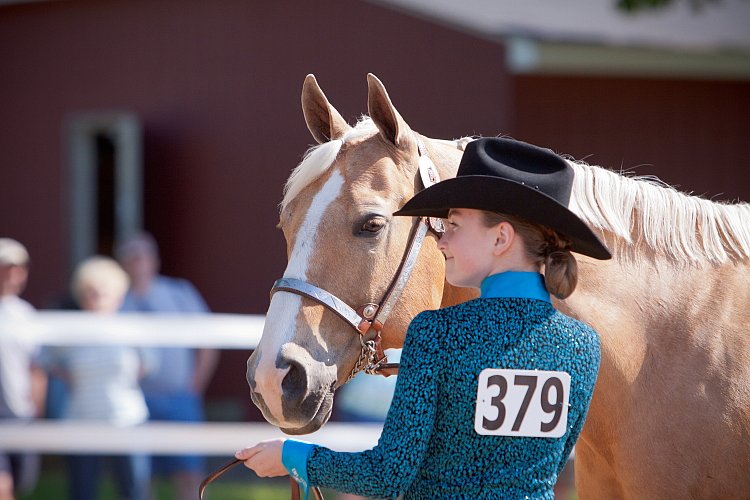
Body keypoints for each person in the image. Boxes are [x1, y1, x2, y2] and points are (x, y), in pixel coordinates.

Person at [235, 137, 612, 498]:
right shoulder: (583, 345)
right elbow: (552, 465)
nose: (442, 241)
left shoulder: (437, 333)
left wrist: (292, 457)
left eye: (455, 226)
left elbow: (388, 474)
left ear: (500, 239)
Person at [37, 256, 152, 500]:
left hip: (127, 420)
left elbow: (150, 362)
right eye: (90, 292)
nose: (96, 297)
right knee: (82, 492)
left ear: (118, 295)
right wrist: (66, 374)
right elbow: (43, 357)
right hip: (81, 422)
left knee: (135, 490)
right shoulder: (73, 330)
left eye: (103, 292)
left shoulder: (130, 328)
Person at [114, 232, 218, 500]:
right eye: (131, 255)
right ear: (122, 263)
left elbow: (208, 342)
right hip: (133, 403)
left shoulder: (179, 292)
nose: (137, 261)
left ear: (155, 260)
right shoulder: (114, 300)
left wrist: (194, 386)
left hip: (179, 398)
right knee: (139, 476)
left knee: (188, 473)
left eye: (143, 254)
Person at [0, 238, 45, 500]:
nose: (13, 275)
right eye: (6, 267)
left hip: (21, 413)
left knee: (22, 481)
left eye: (19, 268)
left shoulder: (27, 315)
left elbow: (36, 367)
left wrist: (36, 410)